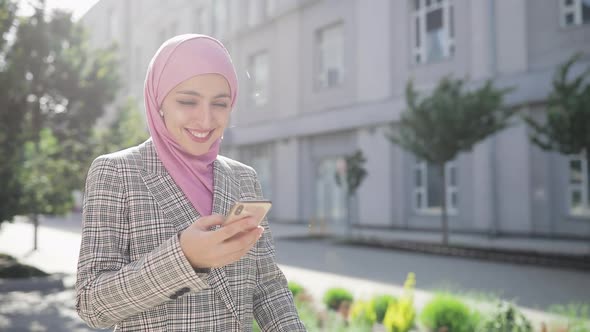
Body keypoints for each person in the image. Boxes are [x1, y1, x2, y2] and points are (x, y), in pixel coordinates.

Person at [75, 34, 306, 331]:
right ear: (159, 101)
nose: (206, 119)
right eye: (188, 101)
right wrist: (184, 259)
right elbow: (91, 304)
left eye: (220, 104)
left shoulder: (243, 177)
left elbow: (267, 287)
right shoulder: (117, 172)